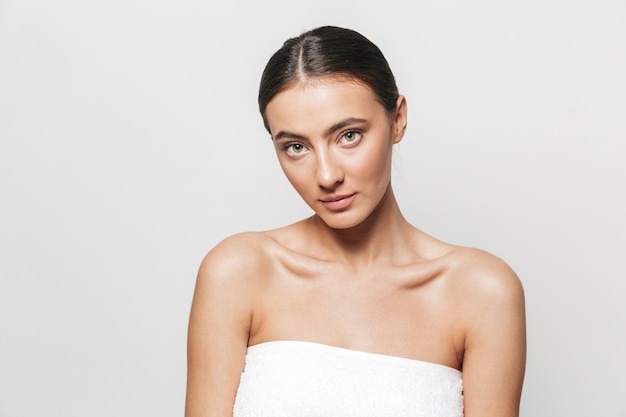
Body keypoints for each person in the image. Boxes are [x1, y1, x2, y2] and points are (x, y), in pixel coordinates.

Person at [185, 25, 526, 417]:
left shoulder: (481, 292)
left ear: (397, 120)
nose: (327, 175)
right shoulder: (238, 272)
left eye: (348, 135)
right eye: (296, 147)